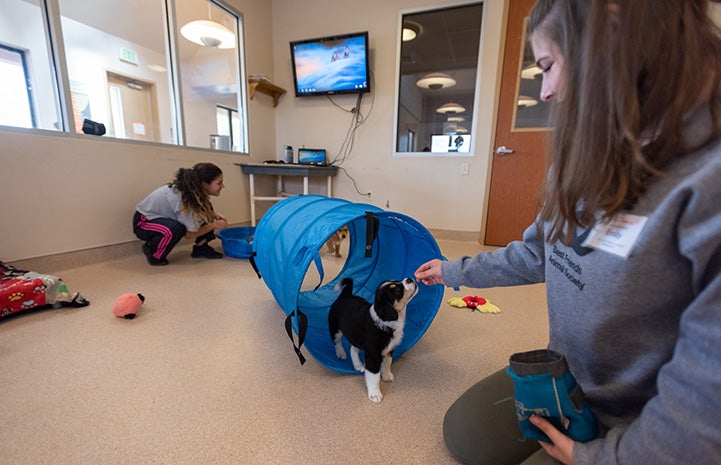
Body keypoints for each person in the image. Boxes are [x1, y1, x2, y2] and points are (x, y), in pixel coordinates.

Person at [414, 1, 721, 464]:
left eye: (549, 66)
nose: (545, 91)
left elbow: (706, 403)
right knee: (466, 434)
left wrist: (598, 456)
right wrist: (453, 270)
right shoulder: (586, 153)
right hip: (575, 378)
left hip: (645, 419)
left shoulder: (705, 180)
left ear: (610, 33)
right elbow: (537, 252)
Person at [133, 162, 228, 266]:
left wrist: (212, 214)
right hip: (143, 222)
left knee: (207, 209)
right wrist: (213, 225)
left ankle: (201, 248)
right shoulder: (184, 199)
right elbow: (189, 234)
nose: (222, 186)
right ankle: (153, 253)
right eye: (219, 183)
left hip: (160, 219)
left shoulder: (194, 192)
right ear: (205, 184)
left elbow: (201, 212)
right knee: (176, 229)